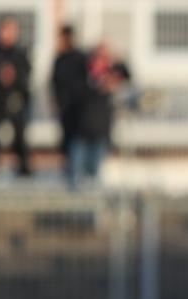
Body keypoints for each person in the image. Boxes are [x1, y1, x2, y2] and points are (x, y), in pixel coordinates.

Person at [67, 43, 129, 190]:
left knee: (95, 176)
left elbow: (127, 74)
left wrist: (116, 59)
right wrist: (99, 87)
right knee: (76, 177)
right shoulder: (82, 77)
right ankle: (76, 210)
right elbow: (77, 97)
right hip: (80, 133)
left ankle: (92, 210)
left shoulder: (111, 78)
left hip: (100, 134)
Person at [0, 16, 31, 176]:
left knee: (19, 135)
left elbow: (26, 73)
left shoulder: (20, 52)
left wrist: (14, 76)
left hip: (15, 99)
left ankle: (24, 169)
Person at [51, 25, 88, 180]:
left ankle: (77, 174)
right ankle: (68, 173)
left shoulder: (80, 58)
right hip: (65, 109)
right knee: (66, 142)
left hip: (78, 110)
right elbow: (54, 83)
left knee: (78, 141)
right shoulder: (59, 59)